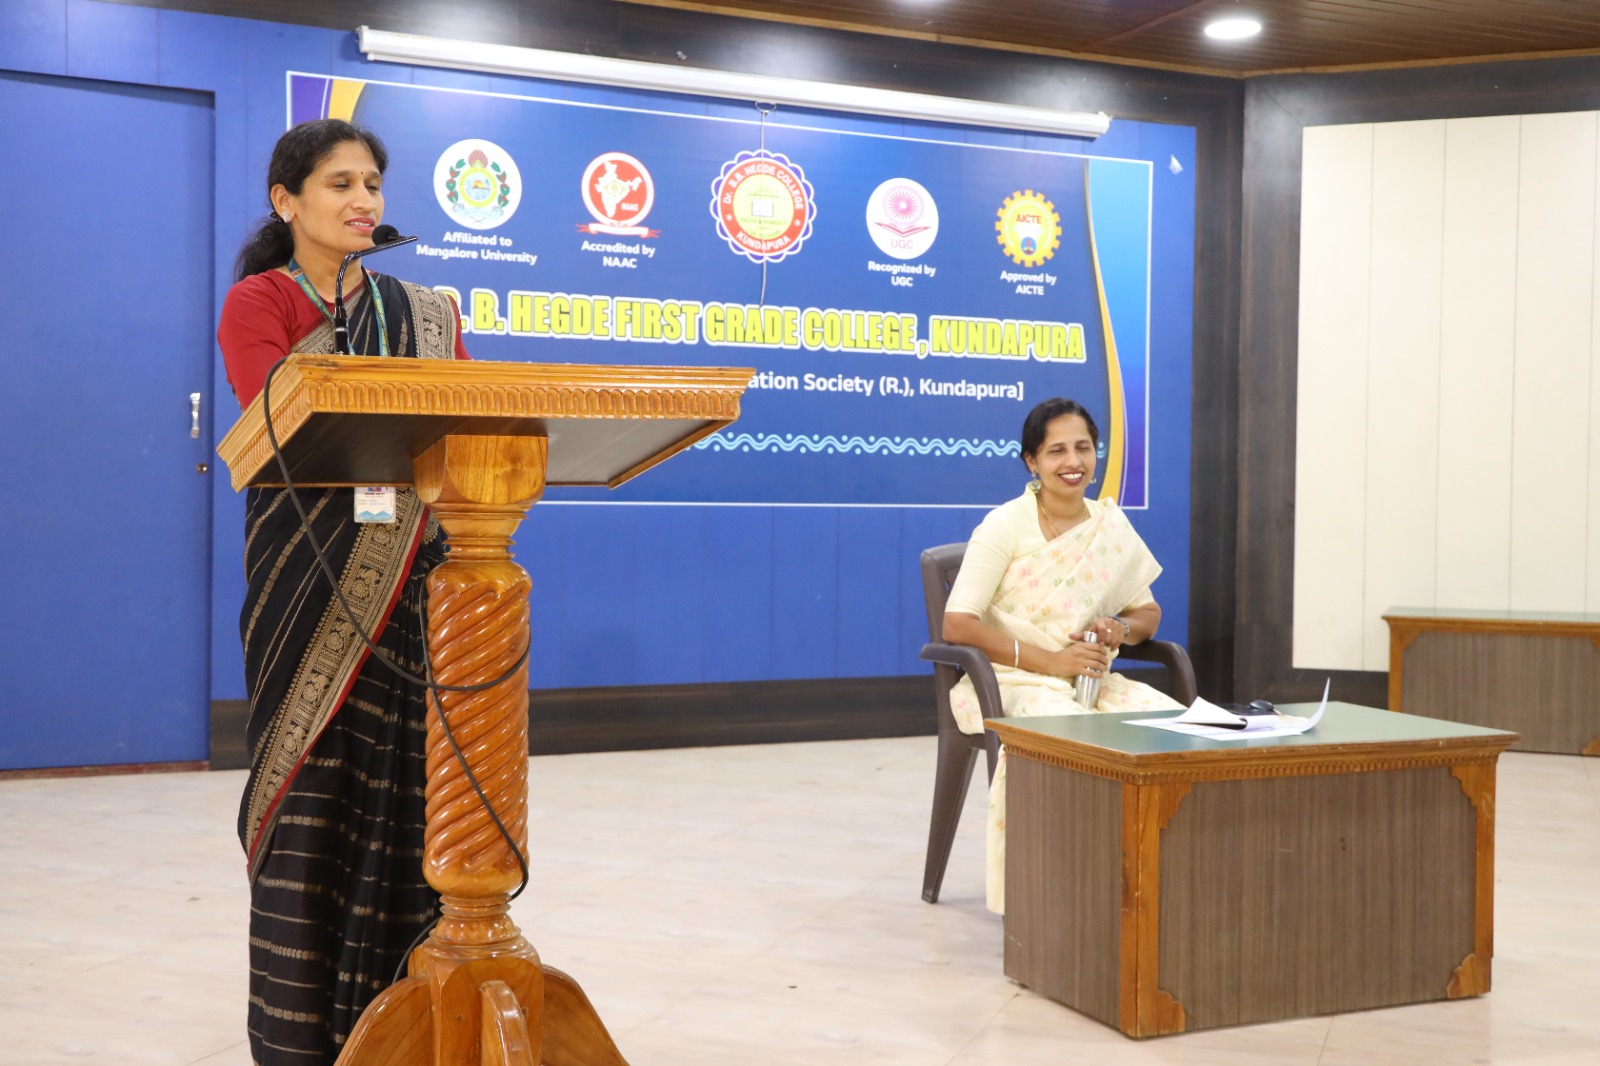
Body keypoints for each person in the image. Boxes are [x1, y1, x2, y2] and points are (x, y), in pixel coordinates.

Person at [217, 118, 470, 1065]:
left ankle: (403, 1022)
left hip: (416, 577)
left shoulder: (427, 313)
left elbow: (468, 416)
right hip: (305, 578)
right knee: (314, 790)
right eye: (340, 184)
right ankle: (299, 1037)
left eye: (372, 184)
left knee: (410, 796)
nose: (364, 200)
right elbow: (280, 419)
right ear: (286, 201)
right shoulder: (259, 302)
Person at [942, 397, 1182, 913]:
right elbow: (957, 623)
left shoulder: (1108, 526)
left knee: (1173, 729)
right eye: (1056, 451)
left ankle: (1150, 883)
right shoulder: (1005, 524)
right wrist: (1050, 663)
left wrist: (1119, 628)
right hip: (1008, 681)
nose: (1073, 462)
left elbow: (1147, 614)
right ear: (1032, 461)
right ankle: (1057, 894)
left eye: (1083, 448)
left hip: (1088, 679)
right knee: (1073, 735)